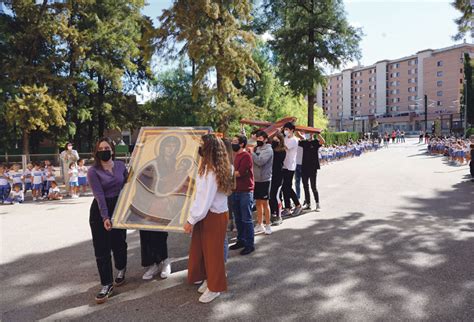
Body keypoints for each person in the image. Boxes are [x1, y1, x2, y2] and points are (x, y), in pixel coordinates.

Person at [184, 134, 233, 303]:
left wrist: (191, 220)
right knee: (203, 251)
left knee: (213, 253)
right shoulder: (209, 167)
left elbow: (205, 200)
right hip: (209, 214)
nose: (199, 148)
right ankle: (208, 279)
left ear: (208, 149)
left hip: (213, 215)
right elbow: (201, 197)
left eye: (201, 145)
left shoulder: (212, 172)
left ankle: (215, 287)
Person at [87, 137, 128, 304]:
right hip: (100, 210)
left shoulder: (120, 166)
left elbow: (127, 186)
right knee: (102, 248)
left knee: (119, 242)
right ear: (97, 152)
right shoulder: (93, 171)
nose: (104, 150)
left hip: (119, 207)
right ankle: (106, 284)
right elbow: (99, 195)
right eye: (101, 148)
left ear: (112, 150)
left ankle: (121, 268)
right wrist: (105, 217)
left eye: (107, 147)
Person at [228, 135, 255, 255]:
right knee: (238, 218)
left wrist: (226, 173)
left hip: (245, 191)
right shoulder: (236, 156)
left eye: (235, 142)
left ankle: (250, 244)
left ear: (242, 144)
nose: (232, 143)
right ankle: (241, 240)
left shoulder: (246, 156)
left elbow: (239, 173)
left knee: (246, 219)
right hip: (235, 191)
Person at [251, 131, 274, 235]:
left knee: (265, 203)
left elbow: (260, 161)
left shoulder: (268, 150)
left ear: (265, 139)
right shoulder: (257, 148)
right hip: (256, 179)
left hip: (265, 179)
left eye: (260, 139)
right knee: (258, 203)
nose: (258, 140)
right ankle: (259, 224)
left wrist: (251, 153)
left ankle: (268, 225)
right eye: (257, 139)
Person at [299, 132, 325, 211]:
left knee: (313, 186)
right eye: (307, 133)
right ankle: (308, 204)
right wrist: (299, 131)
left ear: (312, 134)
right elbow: (297, 136)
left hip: (313, 167)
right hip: (304, 167)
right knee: (305, 186)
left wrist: (318, 133)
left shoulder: (315, 142)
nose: (308, 135)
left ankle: (317, 204)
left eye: (310, 134)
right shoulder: (304, 142)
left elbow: (323, 141)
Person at [281, 122, 303, 216]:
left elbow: (285, 147)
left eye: (287, 129)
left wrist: (279, 140)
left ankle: (298, 205)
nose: (285, 131)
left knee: (287, 187)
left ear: (292, 130)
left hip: (290, 166)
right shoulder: (285, 138)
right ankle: (287, 207)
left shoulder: (294, 140)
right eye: (284, 129)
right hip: (283, 165)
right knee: (284, 188)